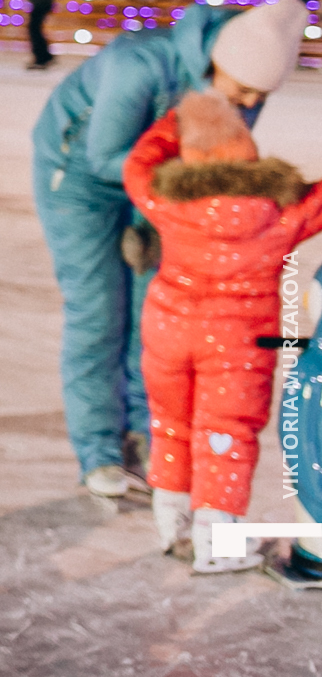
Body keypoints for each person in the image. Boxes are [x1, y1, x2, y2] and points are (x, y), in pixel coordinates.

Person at [32, 0, 309, 499]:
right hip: (80, 181)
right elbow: (104, 156)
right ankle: (99, 451)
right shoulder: (138, 64)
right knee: (98, 311)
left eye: (261, 95)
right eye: (245, 90)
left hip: (160, 187)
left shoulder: (242, 80)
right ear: (221, 63)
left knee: (155, 315)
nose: (250, 103)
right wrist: (167, 203)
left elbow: (217, 167)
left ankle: (145, 435)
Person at [126, 90, 322, 572]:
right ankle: (218, 544)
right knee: (226, 432)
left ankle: (172, 524)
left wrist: (175, 123)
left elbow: (137, 167)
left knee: (171, 424)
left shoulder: (168, 199)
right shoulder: (278, 213)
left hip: (169, 330)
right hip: (238, 344)